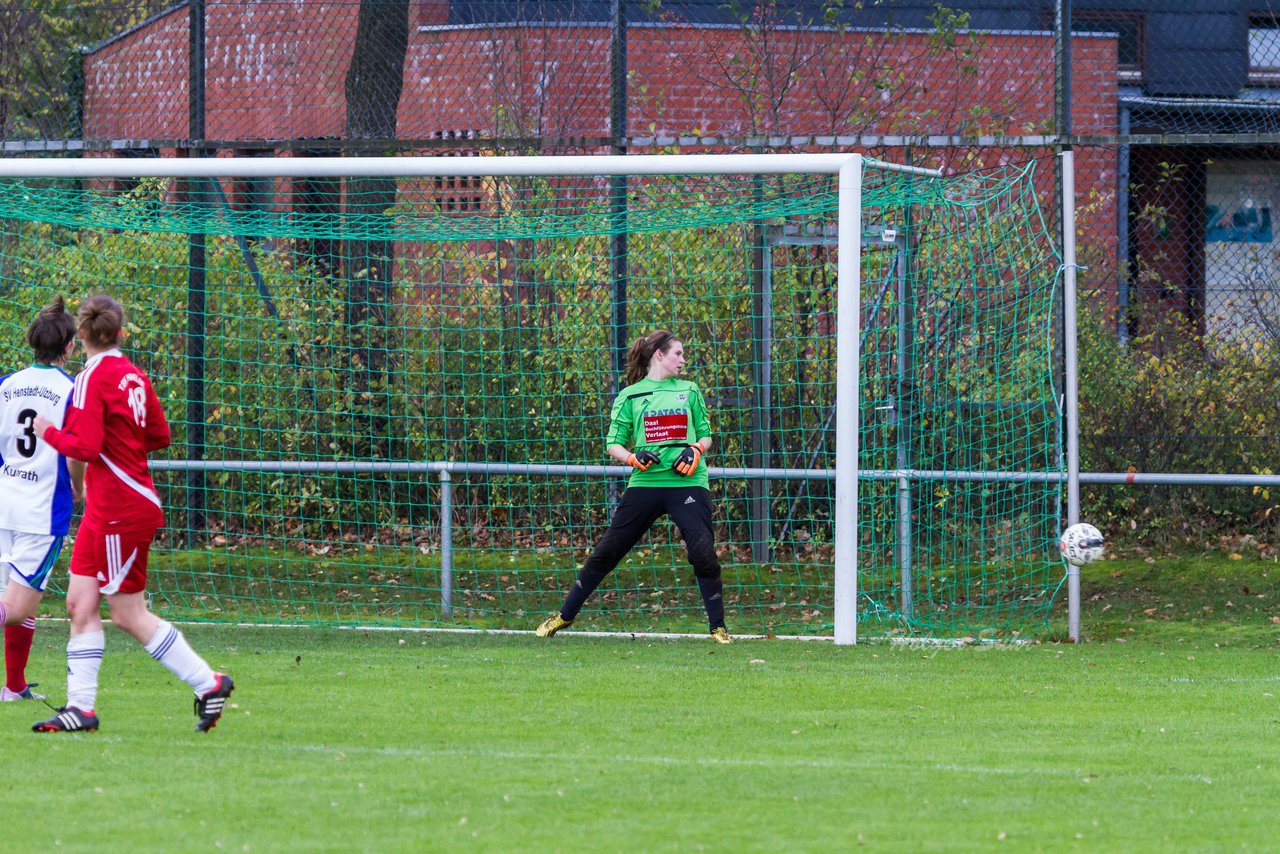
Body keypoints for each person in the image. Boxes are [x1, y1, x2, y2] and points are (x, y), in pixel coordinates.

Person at [30, 294, 234, 733]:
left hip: (121, 508)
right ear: (121, 332)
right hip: (108, 507)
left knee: (126, 613)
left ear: (80, 334)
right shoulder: (134, 376)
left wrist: (49, 431)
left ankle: (209, 682)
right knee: (78, 603)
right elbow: (159, 434)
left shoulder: (92, 377)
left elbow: (83, 447)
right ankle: (80, 709)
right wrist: (118, 449)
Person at [536, 329, 731, 643]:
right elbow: (613, 443)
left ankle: (718, 628)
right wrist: (632, 457)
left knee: (703, 552)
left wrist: (695, 449)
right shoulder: (630, 395)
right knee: (607, 552)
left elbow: (706, 435)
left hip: (688, 483)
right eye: (677, 353)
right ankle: (564, 615)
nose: (683, 360)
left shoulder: (689, 390)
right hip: (646, 483)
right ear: (659, 355)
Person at [0, 298, 84, 701]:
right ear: (68, 347)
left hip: (5, 502)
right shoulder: (71, 391)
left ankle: (14, 686)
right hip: (40, 512)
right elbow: (73, 451)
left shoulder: (7, 384)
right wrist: (79, 488)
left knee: (18, 603)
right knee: (15, 608)